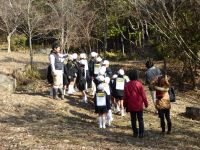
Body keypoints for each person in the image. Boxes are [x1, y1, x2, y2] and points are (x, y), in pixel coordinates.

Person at [124, 69, 148, 138]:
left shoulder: (127, 85)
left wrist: (124, 104)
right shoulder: (139, 84)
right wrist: (146, 103)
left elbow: (125, 96)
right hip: (139, 104)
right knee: (140, 119)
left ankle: (135, 133)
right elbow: (143, 95)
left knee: (133, 119)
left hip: (131, 105)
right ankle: (141, 133)